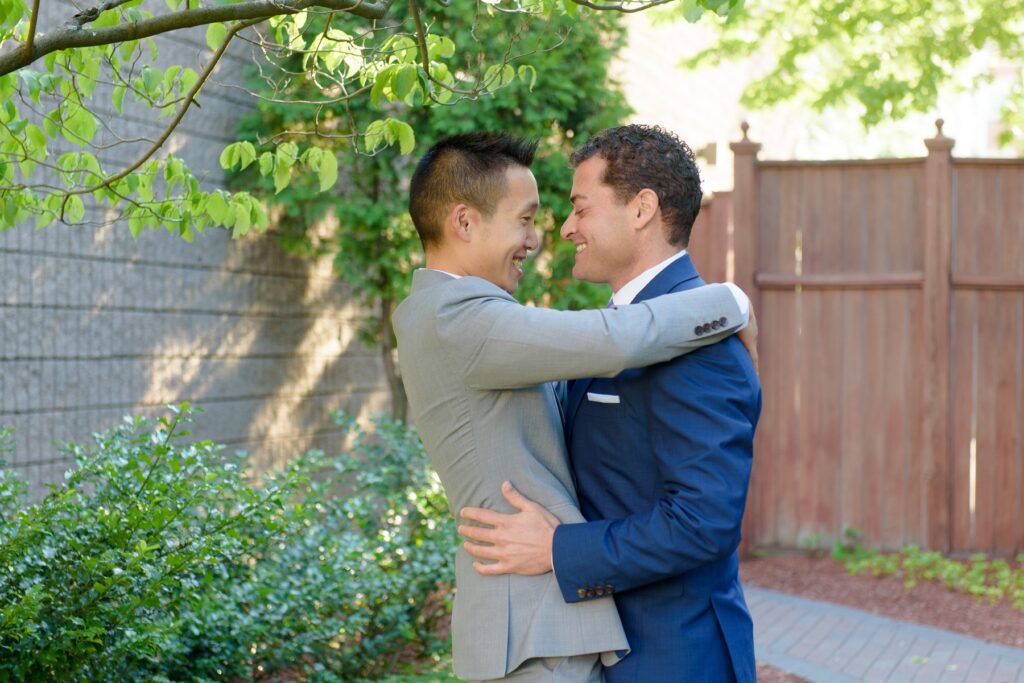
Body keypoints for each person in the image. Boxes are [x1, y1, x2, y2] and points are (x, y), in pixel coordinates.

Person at [392, 132, 754, 682]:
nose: (550, 234)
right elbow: (615, 340)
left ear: (642, 208)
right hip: (539, 635)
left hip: (670, 653)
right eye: (527, 220)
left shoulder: (699, 349)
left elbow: (704, 523)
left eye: (576, 209)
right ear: (464, 222)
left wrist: (562, 548)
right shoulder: (457, 317)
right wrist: (732, 302)